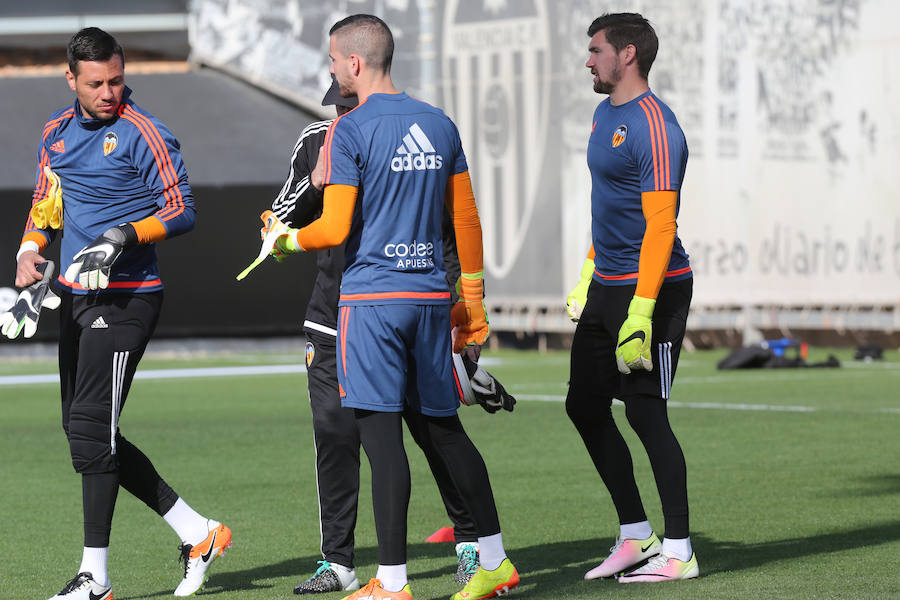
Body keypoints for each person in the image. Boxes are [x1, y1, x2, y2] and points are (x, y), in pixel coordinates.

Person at [267, 14, 519, 600]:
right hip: (430, 298)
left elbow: (330, 228)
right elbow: (467, 221)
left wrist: (286, 240)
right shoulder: (439, 122)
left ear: (354, 64)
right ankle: (494, 559)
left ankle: (392, 583)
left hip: (373, 303)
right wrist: (474, 306)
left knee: (381, 442)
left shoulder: (349, 132)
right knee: (445, 432)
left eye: (333, 62)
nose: (332, 71)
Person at [12, 27, 231, 600]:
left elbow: (182, 209)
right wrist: (30, 253)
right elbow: (46, 203)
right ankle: (198, 532)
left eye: (116, 79)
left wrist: (122, 234)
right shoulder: (55, 134)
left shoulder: (144, 132)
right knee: (84, 434)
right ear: (71, 81)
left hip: (130, 295)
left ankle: (96, 579)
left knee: (91, 433)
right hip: (75, 297)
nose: (110, 92)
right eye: (96, 84)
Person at [564, 12, 699, 583]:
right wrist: (588, 271)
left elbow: (660, 227)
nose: (588, 59)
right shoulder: (603, 115)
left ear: (628, 55)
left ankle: (680, 551)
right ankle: (635, 534)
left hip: (656, 291)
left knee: (645, 414)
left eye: (596, 50)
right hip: (606, 286)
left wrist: (641, 312)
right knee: (584, 406)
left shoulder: (657, 124)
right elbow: (609, 207)